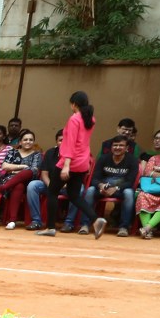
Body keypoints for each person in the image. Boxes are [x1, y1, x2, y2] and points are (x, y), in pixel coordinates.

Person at [39, 91, 106, 239]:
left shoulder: (74, 119)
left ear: (74, 104)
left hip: (71, 160)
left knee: (52, 192)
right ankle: (95, 219)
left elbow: (70, 143)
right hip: (83, 162)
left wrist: (66, 165)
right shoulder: (90, 119)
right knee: (74, 195)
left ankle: (50, 227)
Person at [85, 136, 138, 237]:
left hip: (121, 189)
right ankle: (85, 224)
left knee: (129, 193)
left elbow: (130, 182)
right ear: (111, 147)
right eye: (115, 145)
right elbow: (94, 178)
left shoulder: (132, 160)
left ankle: (123, 227)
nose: (117, 147)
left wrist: (116, 188)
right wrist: (101, 186)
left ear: (127, 148)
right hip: (103, 188)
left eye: (121, 145)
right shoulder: (103, 158)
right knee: (90, 190)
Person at [0, 129, 42, 228]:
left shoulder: (37, 154)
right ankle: (12, 221)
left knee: (28, 172)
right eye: (25, 139)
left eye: (31, 140)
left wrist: (14, 169)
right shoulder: (12, 152)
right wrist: (23, 167)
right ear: (20, 142)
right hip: (10, 179)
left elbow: (34, 170)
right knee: (18, 185)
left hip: (29, 181)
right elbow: (5, 166)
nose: (28, 142)